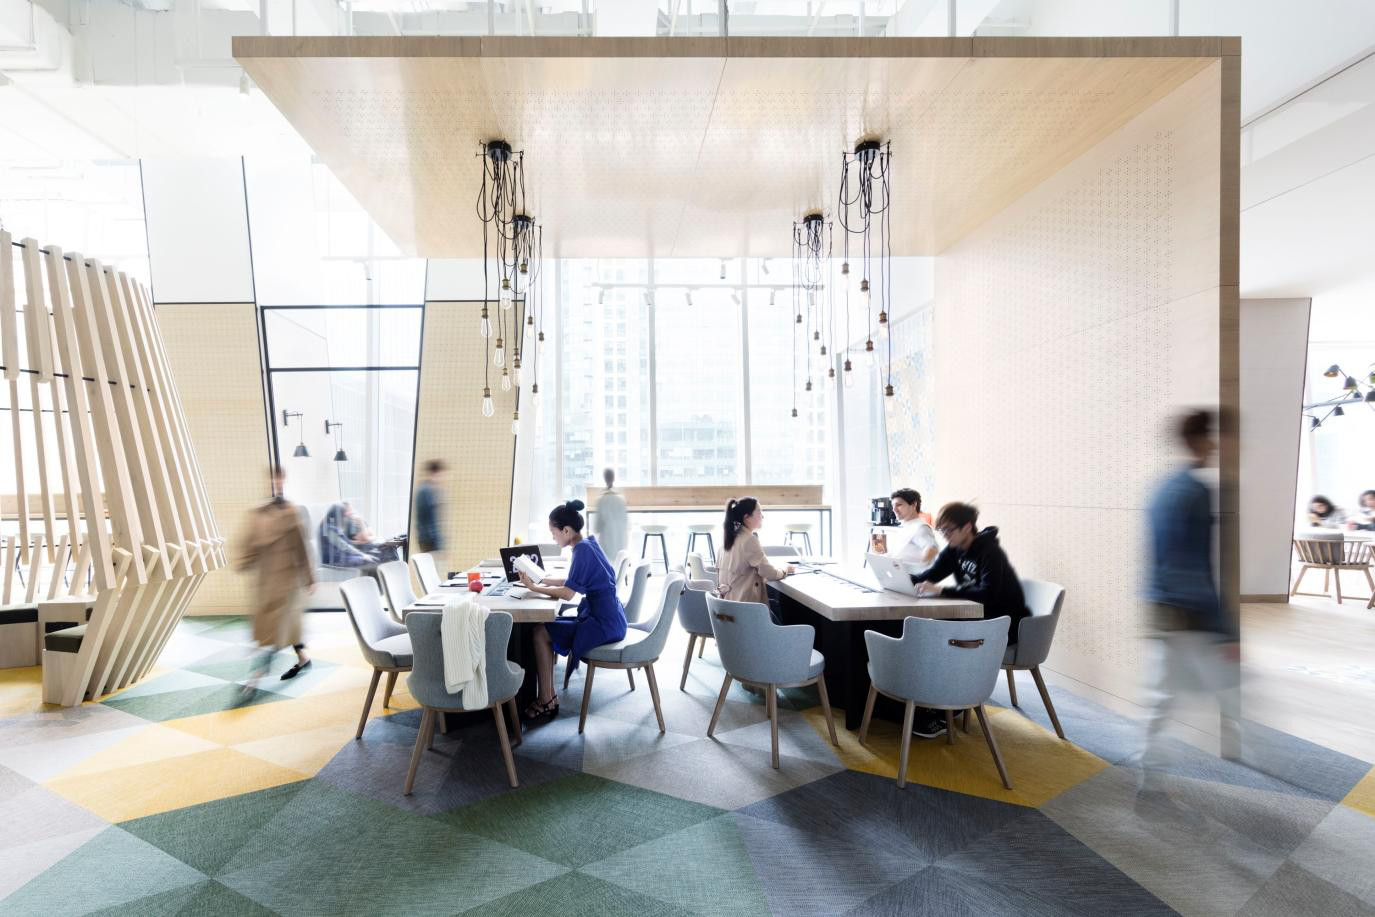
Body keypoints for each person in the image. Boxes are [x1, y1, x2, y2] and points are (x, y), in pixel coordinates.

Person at [1141, 409, 1239, 793]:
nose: (1217, 444)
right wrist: (1225, 627)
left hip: (1160, 603)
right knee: (1226, 682)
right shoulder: (1196, 491)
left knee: (1164, 691)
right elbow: (1196, 565)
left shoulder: (1162, 488)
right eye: (1212, 435)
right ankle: (1243, 747)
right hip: (1190, 609)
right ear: (1199, 439)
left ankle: (1150, 773)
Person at [909, 501, 1030, 738]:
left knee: (944, 641)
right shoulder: (954, 549)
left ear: (967, 527)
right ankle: (933, 704)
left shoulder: (990, 553)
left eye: (949, 530)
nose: (945, 536)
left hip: (1002, 625)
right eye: (942, 531)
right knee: (934, 634)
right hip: (976, 619)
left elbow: (988, 594)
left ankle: (947, 709)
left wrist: (941, 591)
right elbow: (929, 575)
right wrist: (900, 579)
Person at [519, 500, 626, 722]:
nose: (553, 538)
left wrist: (533, 588)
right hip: (610, 617)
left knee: (540, 632)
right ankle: (549, 697)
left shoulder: (582, 551)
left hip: (603, 624)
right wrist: (541, 580)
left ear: (566, 530)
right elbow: (571, 581)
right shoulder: (588, 544)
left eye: (554, 533)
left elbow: (568, 593)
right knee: (545, 628)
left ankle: (546, 700)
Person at [235, 465, 314, 689]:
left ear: (284, 481)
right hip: (266, 582)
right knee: (283, 628)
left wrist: (310, 577)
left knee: (274, 632)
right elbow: (249, 543)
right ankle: (303, 658)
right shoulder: (258, 514)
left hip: (288, 582)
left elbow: (302, 548)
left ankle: (255, 677)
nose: (275, 483)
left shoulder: (292, 513)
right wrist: (244, 560)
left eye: (279, 479)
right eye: (272, 479)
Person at [717, 497, 795, 606]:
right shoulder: (749, 540)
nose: (762, 516)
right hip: (745, 608)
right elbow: (770, 573)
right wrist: (785, 571)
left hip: (727, 607)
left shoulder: (727, 540)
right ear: (746, 517)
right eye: (759, 512)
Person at [880, 488, 939, 571]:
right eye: (893, 506)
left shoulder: (920, 527)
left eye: (898, 505)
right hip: (898, 574)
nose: (894, 509)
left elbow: (932, 548)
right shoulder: (905, 526)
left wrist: (917, 569)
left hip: (912, 576)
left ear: (914, 505)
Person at [593, 467, 628, 562]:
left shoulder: (601, 500)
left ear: (604, 479)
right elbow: (626, 523)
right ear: (614, 478)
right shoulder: (621, 499)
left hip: (606, 544)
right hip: (621, 543)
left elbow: (596, 528)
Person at [414, 459, 446, 553]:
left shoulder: (426, 489)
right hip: (430, 541)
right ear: (435, 473)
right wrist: (438, 543)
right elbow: (430, 520)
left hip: (427, 539)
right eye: (441, 475)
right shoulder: (426, 491)